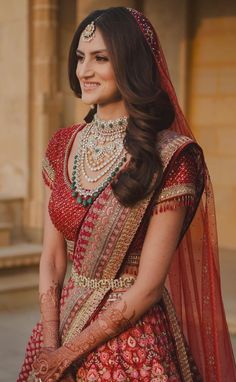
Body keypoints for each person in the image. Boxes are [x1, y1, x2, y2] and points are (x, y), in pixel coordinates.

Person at [17, 7, 235, 382]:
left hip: (131, 341)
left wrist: (68, 353)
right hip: (62, 324)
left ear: (132, 63)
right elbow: (52, 259)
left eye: (101, 58)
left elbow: (149, 286)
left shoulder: (169, 156)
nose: (84, 70)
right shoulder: (62, 145)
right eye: (80, 58)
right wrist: (50, 345)